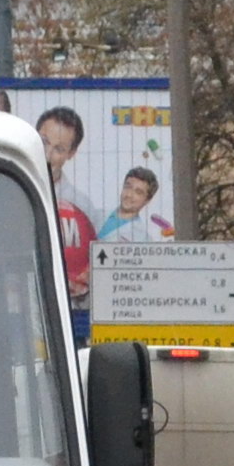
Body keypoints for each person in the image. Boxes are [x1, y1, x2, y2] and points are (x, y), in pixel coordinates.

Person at [35, 106, 97, 343]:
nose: (48, 155)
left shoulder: (82, 206)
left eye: (59, 149)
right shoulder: (10, 186)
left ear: (71, 154)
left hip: (67, 323)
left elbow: (94, 264)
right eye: (43, 141)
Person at [95, 166, 172, 242]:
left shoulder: (143, 240)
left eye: (138, 192)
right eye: (128, 187)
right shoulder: (95, 215)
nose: (129, 195)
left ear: (147, 200)